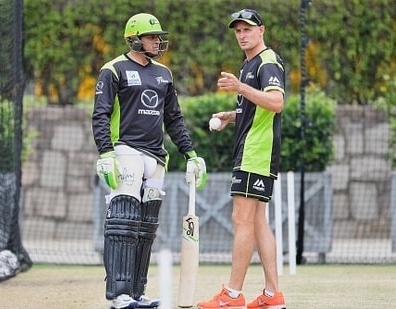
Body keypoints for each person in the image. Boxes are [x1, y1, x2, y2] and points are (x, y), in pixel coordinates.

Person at [92, 12, 207, 309]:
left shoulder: (164, 74)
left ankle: (137, 293)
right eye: (152, 37)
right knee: (123, 221)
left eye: (158, 37)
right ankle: (119, 296)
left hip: (156, 157)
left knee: (146, 225)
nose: (157, 41)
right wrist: (105, 152)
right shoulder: (113, 70)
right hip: (124, 150)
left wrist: (190, 153)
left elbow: (174, 118)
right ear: (135, 39)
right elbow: (101, 114)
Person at [197, 9, 286, 309]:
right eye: (238, 30)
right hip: (253, 151)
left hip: (255, 153)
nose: (242, 34)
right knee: (258, 221)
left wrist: (240, 88)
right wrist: (231, 116)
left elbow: (276, 102)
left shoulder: (267, 61)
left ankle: (232, 295)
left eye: (247, 29)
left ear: (261, 30)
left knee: (242, 219)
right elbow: (257, 111)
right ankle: (273, 295)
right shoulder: (249, 64)